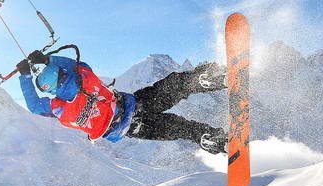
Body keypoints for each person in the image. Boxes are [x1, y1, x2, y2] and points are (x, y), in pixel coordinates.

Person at [17, 51, 228, 154]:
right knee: (172, 87)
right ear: (61, 72)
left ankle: (213, 140)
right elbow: (77, 64)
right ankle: (205, 80)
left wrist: (25, 76)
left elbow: (34, 106)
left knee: (179, 128)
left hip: (131, 129)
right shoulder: (84, 77)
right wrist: (48, 60)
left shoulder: (59, 109)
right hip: (136, 105)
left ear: (51, 90)